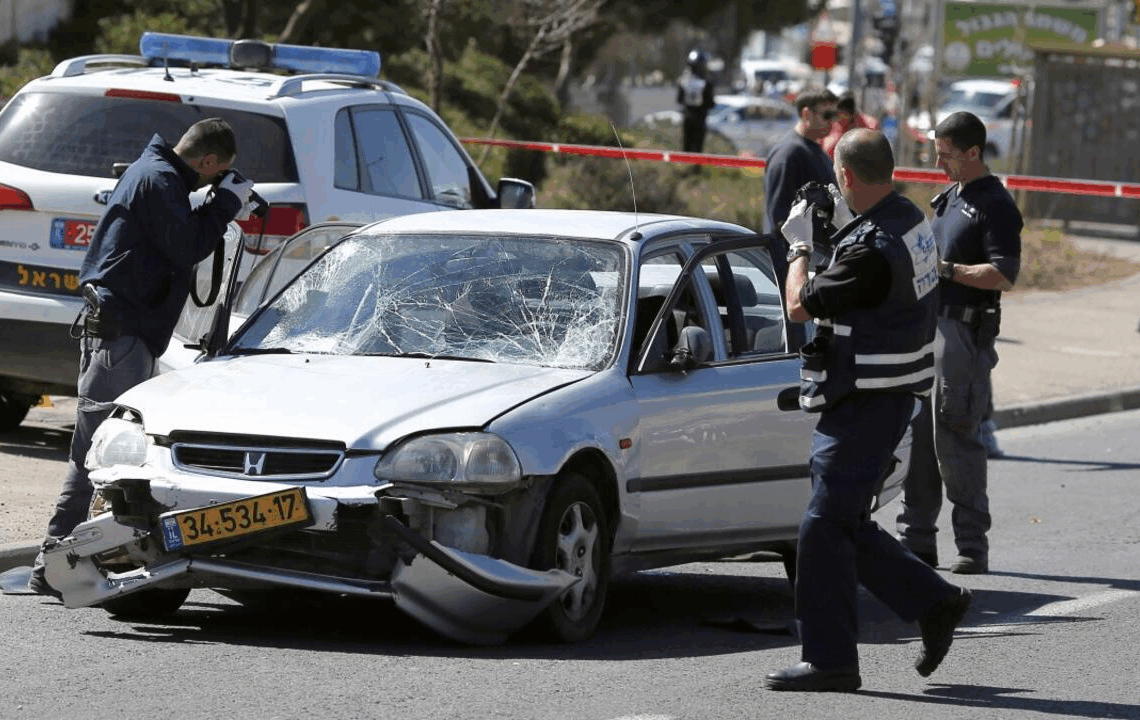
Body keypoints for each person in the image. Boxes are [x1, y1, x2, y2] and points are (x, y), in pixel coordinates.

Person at [765, 129, 971, 692]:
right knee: (844, 521)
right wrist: (836, 226)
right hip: (886, 393)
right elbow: (871, 281)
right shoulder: (906, 218)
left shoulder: (870, 249)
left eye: (837, 176)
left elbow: (798, 305)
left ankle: (829, 659)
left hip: (868, 399)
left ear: (848, 177)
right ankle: (935, 601)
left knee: (822, 525)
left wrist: (801, 246)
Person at [28, 117, 254, 596]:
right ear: (208, 161)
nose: (214, 181)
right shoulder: (158, 180)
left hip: (125, 330)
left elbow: (175, 236)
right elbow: (187, 245)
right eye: (217, 174)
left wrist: (213, 202)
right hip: (121, 334)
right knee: (94, 451)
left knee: (108, 449)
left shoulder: (157, 173)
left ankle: (75, 555)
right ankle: (52, 561)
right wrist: (226, 204)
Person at [896, 111, 1022, 575]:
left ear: (973, 153)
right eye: (936, 154)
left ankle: (971, 544)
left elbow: (1004, 275)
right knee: (919, 441)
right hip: (930, 329)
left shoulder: (995, 204)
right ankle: (917, 540)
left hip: (964, 336)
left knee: (956, 438)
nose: (939, 163)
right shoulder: (949, 197)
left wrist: (947, 270)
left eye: (946, 155)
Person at [763, 87, 838, 236]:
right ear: (806, 114)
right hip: (799, 255)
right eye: (827, 115)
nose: (832, 122)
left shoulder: (812, 149)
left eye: (834, 115)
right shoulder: (789, 154)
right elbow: (780, 218)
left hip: (817, 254)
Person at [676, 48, 716, 154]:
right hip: (700, 119)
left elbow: (679, 100)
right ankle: (695, 168)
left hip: (687, 117)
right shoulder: (707, 83)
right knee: (698, 147)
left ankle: (686, 167)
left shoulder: (683, 81)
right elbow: (711, 103)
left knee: (686, 146)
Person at [822, 90, 880, 159]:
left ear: (852, 114)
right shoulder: (830, 125)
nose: (837, 119)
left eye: (840, 115)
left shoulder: (870, 126)